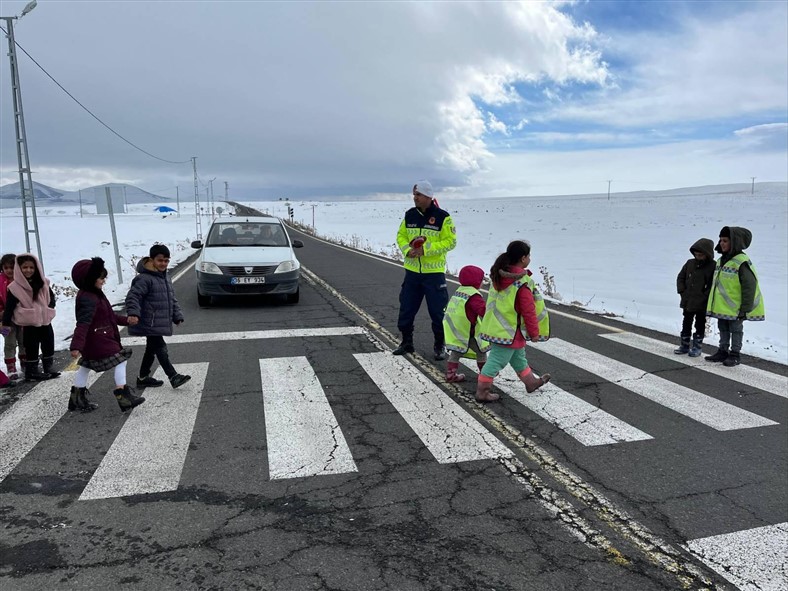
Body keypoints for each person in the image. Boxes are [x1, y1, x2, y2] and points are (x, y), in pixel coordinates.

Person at [476, 240, 550, 402]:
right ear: (523, 258)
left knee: (518, 358)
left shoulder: (499, 274)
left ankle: (531, 383)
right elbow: (528, 310)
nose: (530, 259)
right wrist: (534, 333)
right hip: (509, 331)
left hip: (499, 328)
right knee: (496, 361)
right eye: (529, 256)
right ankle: (482, 392)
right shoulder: (521, 283)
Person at [69, 257, 145, 413]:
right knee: (120, 360)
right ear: (89, 279)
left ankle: (76, 398)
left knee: (85, 366)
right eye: (101, 277)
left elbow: (109, 316)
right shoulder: (88, 298)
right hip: (98, 339)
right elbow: (82, 323)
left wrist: (126, 321)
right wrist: (76, 345)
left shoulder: (95, 294)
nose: (104, 281)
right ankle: (123, 396)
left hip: (98, 338)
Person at [393, 180, 457, 360]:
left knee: (438, 312)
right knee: (406, 309)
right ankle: (406, 342)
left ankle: (439, 345)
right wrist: (407, 250)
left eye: (418, 195)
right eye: (414, 195)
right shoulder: (410, 215)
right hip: (412, 273)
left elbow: (451, 241)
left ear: (428, 196)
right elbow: (401, 235)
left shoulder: (443, 217)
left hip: (433, 274)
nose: (415, 198)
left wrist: (425, 250)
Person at [125, 244, 191, 388]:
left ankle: (142, 378)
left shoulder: (164, 276)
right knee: (160, 347)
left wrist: (177, 315)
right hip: (149, 321)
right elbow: (133, 297)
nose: (163, 263)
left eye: (166, 260)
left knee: (151, 349)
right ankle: (173, 376)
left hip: (156, 322)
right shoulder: (144, 278)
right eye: (160, 260)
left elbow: (170, 298)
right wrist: (133, 313)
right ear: (152, 260)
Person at [705, 226, 765, 367]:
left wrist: (745, 309)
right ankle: (722, 351)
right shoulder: (721, 260)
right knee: (723, 327)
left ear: (735, 242)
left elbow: (749, 287)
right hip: (723, 307)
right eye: (720, 240)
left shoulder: (741, 262)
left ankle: (735, 354)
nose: (721, 243)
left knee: (736, 330)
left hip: (737, 308)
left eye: (725, 240)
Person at [0, 254, 59, 381]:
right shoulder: (15, 287)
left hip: (44, 319)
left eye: (31, 267)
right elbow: (10, 306)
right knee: (30, 345)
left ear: (36, 268)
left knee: (48, 342)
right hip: (29, 322)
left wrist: (50, 307)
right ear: (19, 269)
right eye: (24, 267)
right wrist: (5, 324)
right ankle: (31, 371)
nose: (28, 270)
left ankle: (48, 366)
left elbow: (51, 296)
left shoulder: (43, 282)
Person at [442, 265, 489, 382]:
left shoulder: (459, 292)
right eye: (481, 280)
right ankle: (485, 375)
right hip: (469, 332)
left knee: (456, 352)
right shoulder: (474, 296)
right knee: (481, 351)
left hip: (456, 330)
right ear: (476, 281)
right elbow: (483, 311)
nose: (482, 282)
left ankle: (450, 374)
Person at [674, 238, 715, 357]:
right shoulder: (689, 263)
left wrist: (705, 295)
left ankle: (697, 346)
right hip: (688, 300)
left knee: (700, 324)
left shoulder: (712, 266)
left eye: (701, 255)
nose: (698, 257)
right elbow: (680, 277)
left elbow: (713, 284)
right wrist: (682, 290)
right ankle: (684, 345)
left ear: (707, 254)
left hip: (702, 302)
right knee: (686, 322)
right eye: (696, 254)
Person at [1, 253, 25, 379]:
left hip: (23, 318)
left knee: (24, 341)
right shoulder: (0, 282)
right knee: (9, 343)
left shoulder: (22, 280)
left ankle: (25, 363)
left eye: (12, 267)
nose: (9, 270)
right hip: (6, 320)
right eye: (6, 268)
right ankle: (11, 367)